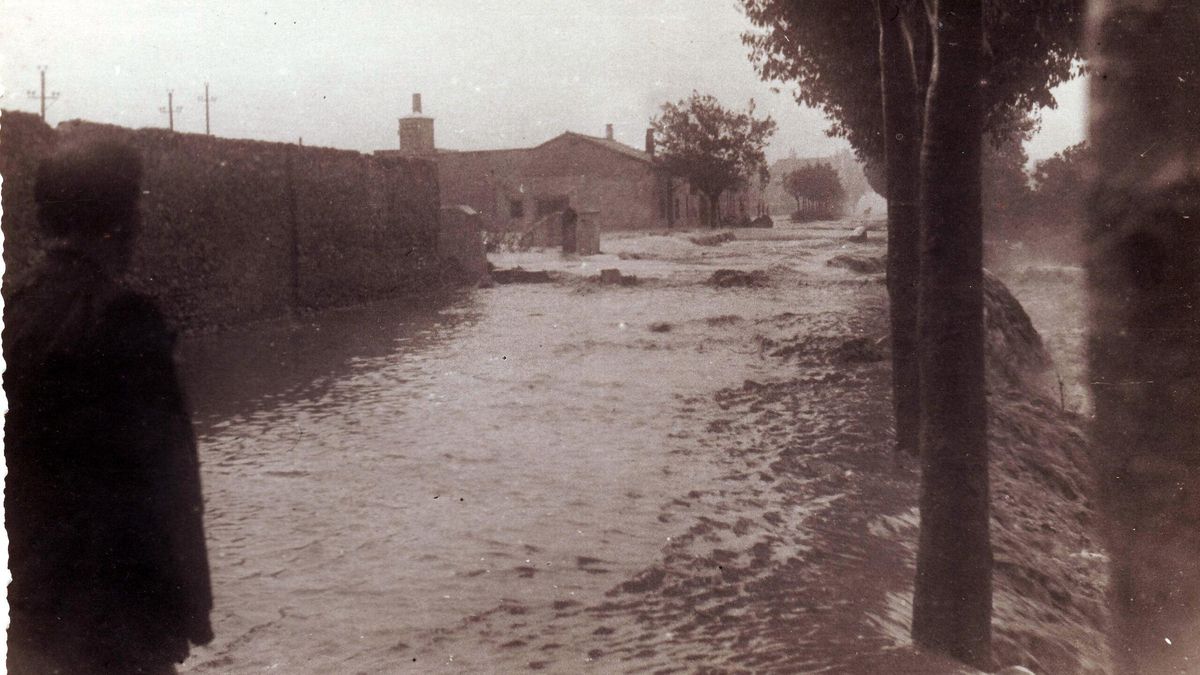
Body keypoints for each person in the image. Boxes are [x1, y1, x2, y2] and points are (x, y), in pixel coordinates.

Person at [4, 139, 213, 674]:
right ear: (121, 219)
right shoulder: (122, 317)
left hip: (26, 615)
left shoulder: (14, 310)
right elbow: (170, 482)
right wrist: (189, 610)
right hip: (113, 621)